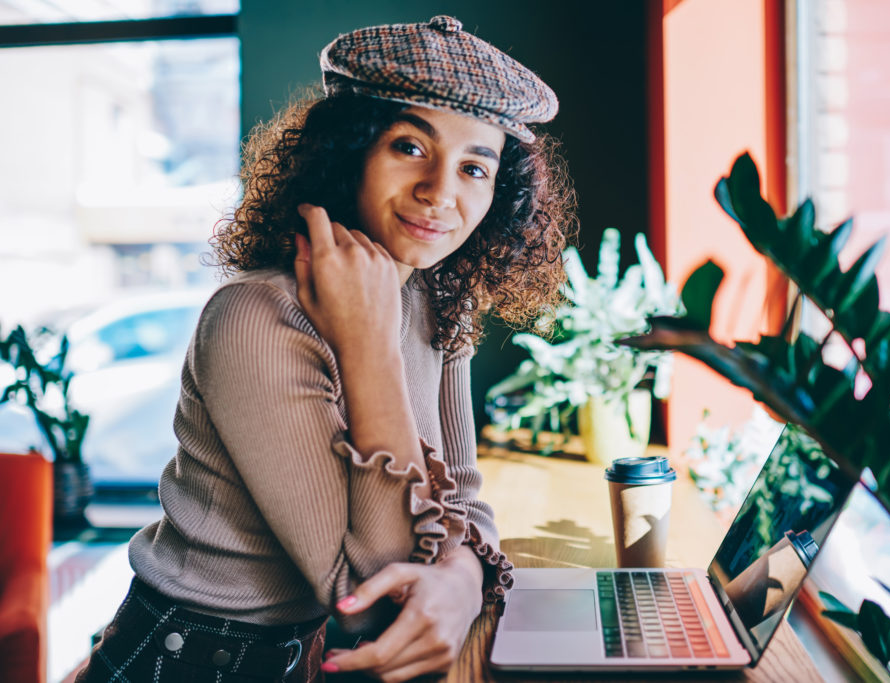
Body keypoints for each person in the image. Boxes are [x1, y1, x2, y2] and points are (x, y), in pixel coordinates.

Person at [75, 15, 574, 683]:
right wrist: (369, 347)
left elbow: (463, 503)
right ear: (350, 151)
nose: (441, 191)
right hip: (184, 662)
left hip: (302, 662)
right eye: (409, 146)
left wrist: (461, 577)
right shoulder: (255, 317)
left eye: (475, 166)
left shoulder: (434, 298)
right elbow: (364, 596)